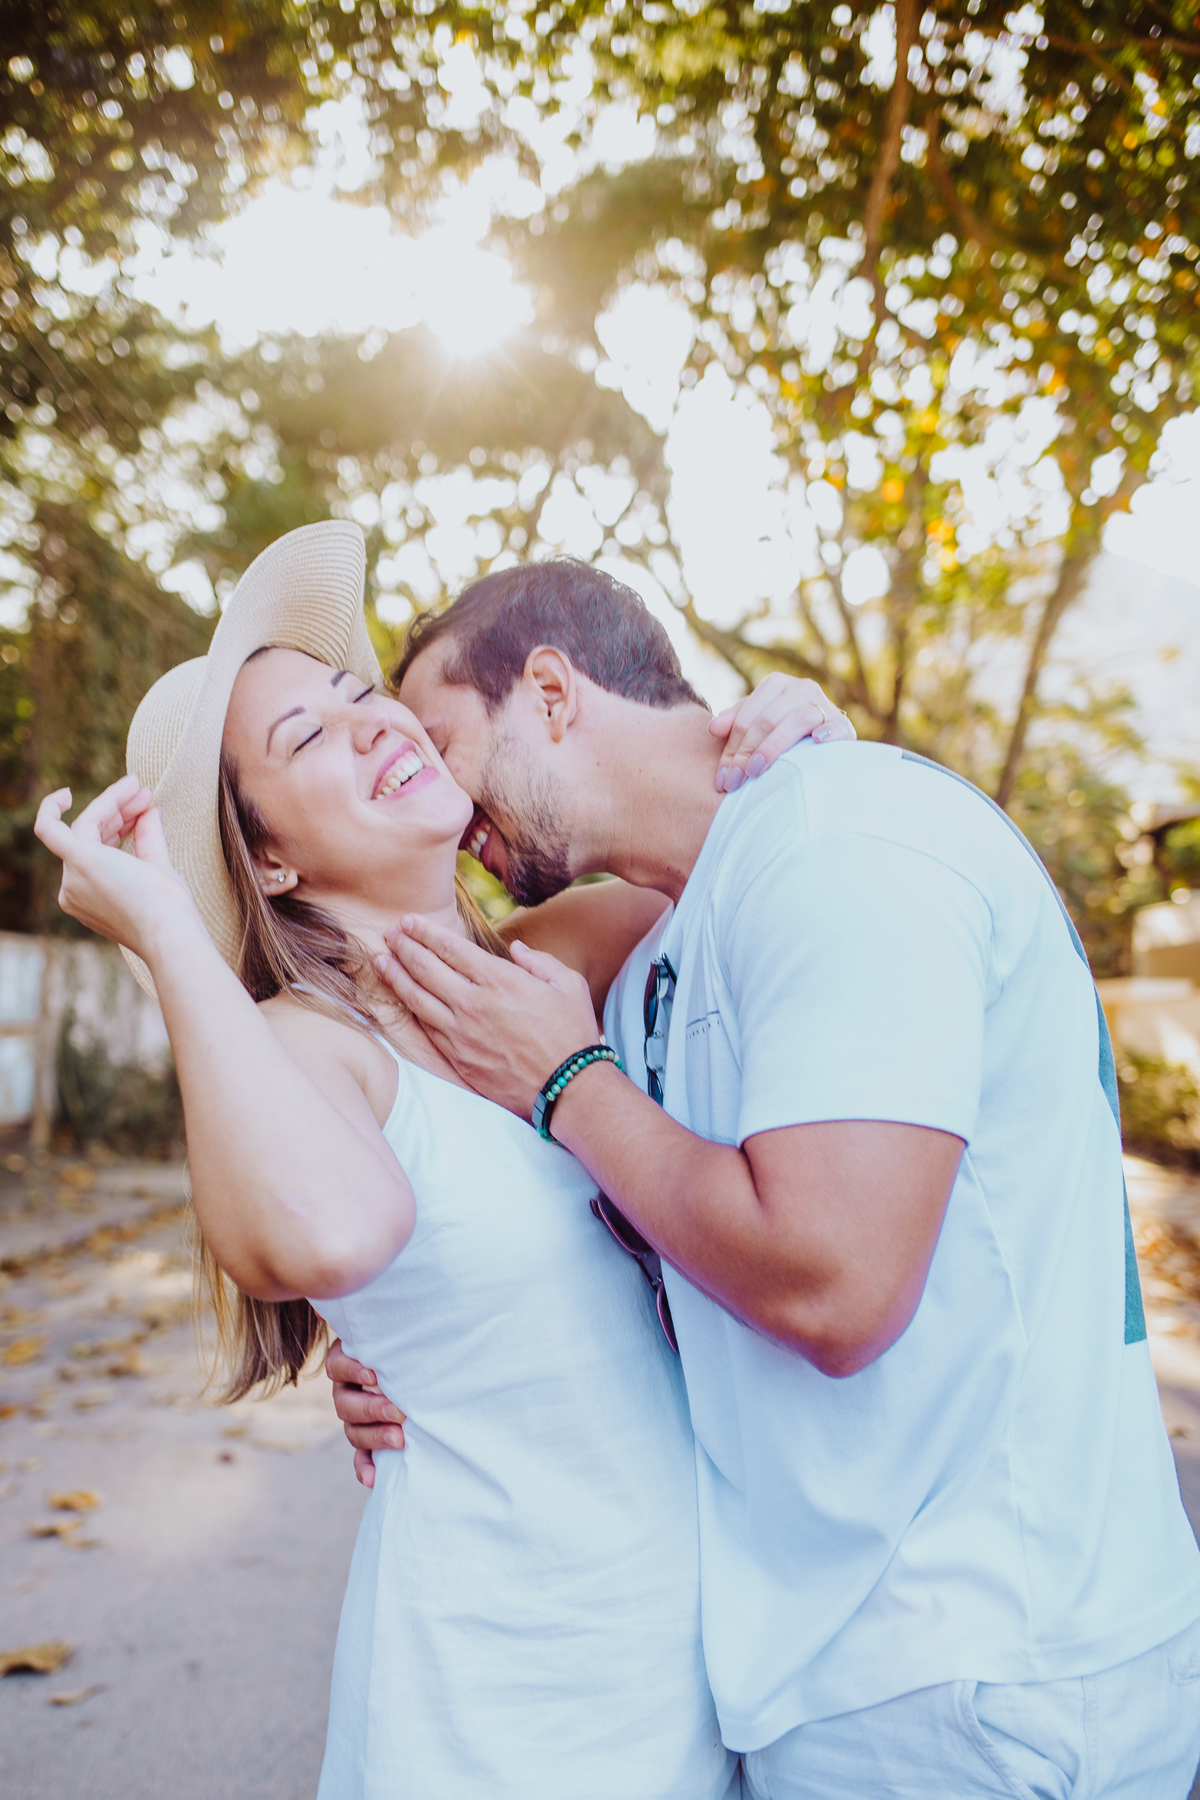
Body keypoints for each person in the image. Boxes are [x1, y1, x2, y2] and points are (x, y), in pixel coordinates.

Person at [334, 555, 1200, 1800]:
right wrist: (394, 1352)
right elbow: (555, 1180)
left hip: (983, 1677)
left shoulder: (844, 843)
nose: (439, 793)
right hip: (834, 1678)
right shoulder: (656, 942)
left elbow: (833, 1288)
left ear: (552, 692)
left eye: (440, 737)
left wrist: (570, 1082)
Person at [33, 521, 849, 1800]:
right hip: (501, 1693)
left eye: (361, 697)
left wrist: (785, 722)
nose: (372, 723)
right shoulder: (310, 1045)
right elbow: (326, 1238)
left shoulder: (555, 954)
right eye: (305, 737)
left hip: (690, 1672)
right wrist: (167, 934)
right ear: (273, 861)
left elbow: (716, 835)